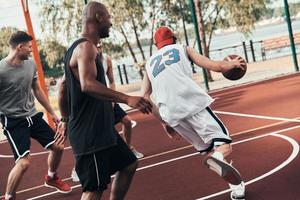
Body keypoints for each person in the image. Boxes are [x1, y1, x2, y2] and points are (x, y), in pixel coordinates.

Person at [57, 2, 152, 200]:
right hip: (90, 134)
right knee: (94, 189)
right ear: (99, 17)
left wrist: (66, 119)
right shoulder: (85, 48)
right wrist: (126, 98)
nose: (110, 23)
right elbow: (87, 84)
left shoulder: (78, 48)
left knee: (129, 164)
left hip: (102, 129)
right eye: (108, 18)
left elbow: (63, 87)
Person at [141, 26, 246, 200]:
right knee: (224, 144)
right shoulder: (182, 48)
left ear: (156, 44)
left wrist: (164, 122)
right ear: (174, 38)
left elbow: (144, 96)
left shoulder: (149, 63)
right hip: (192, 104)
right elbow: (215, 66)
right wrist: (232, 64)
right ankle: (219, 158)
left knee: (209, 152)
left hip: (171, 115)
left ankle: (236, 187)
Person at [0, 31, 71, 200]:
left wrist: (52, 113)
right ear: (20, 47)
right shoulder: (1, 70)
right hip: (13, 121)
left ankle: (51, 177)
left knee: (59, 146)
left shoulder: (30, 64)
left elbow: (36, 89)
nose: (31, 50)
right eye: (29, 47)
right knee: (24, 162)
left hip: (32, 116)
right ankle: (9, 197)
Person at [70, 44, 144, 183]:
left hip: (108, 99)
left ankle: (128, 149)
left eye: (100, 46)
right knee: (92, 137)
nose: (99, 47)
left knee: (127, 121)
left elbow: (111, 81)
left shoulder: (106, 60)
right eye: (96, 45)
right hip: (95, 104)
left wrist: (113, 100)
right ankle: (77, 167)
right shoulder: (85, 57)